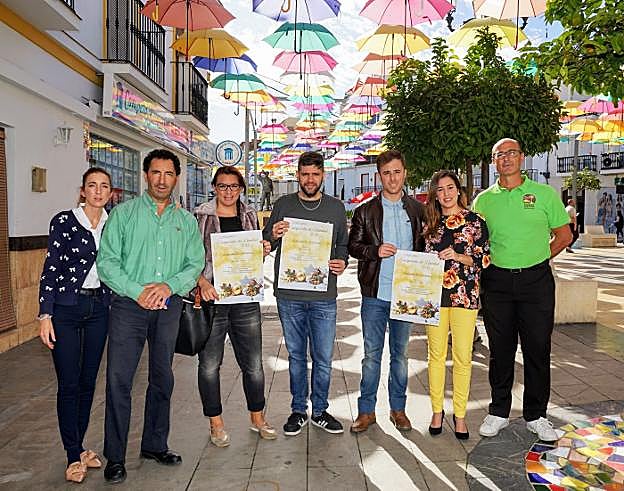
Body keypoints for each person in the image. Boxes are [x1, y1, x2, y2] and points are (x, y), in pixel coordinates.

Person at [97, 149, 205, 484]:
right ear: (146, 175)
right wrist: (136, 290)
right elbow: (107, 262)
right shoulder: (123, 214)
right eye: (156, 172)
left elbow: (195, 263)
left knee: (162, 377)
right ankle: (115, 457)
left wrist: (169, 286)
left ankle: (155, 444)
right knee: (119, 380)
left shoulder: (186, 221)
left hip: (168, 306)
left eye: (168, 174)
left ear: (176, 178)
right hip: (128, 307)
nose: (162, 179)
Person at [473, 138, 571, 443]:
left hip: (536, 282)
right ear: (493, 161)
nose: (506, 158)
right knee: (500, 350)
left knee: (537, 348)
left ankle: (537, 415)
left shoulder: (544, 194)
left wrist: (539, 258)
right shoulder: (483, 201)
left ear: (522, 157)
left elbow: (564, 235)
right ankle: (499, 411)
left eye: (511, 153)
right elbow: (476, 243)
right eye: (499, 154)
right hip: (497, 283)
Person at [262, 151, 349, 436]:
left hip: (324, 295)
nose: (310, 179)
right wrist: (273, 234)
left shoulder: (335, 208)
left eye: (315, 174)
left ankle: (320, 410)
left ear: (323, 175)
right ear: (297, 175)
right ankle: (298, 410)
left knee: (323, 358)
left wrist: (341, 261)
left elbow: (342, 245)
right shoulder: (283, 204)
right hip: (289, 295)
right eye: (305, 174)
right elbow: (267, 243)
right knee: (296, 356)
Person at [38, 168, 112, 483]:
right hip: (66, 309)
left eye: (104, 186)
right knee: (68, 383)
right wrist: (45, 315)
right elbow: (51, 267)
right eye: (92, 185)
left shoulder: (113, 224)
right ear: (83, 190)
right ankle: (72, 455)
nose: (98, 191)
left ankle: (79, 447)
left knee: (87, 382)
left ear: (111, 192)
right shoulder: (64, 221)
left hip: (100, 308)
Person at [195, 166, 275, 447]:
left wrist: (262, 251)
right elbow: (189, 256)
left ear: (241, 189)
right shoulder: (201, 216)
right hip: (213, 300)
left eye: (233, 186)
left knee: (253, 364)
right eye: (222, 186)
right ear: (214, 188)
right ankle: (215, 423)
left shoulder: (250, 215)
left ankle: (258, 418)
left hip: (245, 300)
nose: (228, 192)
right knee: (209, 365)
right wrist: (201, 282)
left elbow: (252, 258)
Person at [347, 150, 425, 433]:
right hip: (375, 295)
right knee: (371, 356)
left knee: (400, 357)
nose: (392, 178)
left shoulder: (418, 210)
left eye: (397, 172)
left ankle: (398, 409)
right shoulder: (365, 211)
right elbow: (353, 247)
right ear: (379, 176)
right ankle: (366, 411)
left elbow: (426, 247)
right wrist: (375, 251)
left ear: (405, 173)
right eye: (386, 173)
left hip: (406, 297)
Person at [423, 170, 489, 440]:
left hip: (464, 296)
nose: (446, 194)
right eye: (440, 189)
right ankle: (436, 411)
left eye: (450, 188)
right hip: (433, 298)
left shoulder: (475, 221)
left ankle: (459, 415)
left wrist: (459, 256)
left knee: (463, 356)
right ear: (435, 195)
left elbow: (485, 259)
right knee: (435, 356)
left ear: (458, 190)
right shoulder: (429, 223)